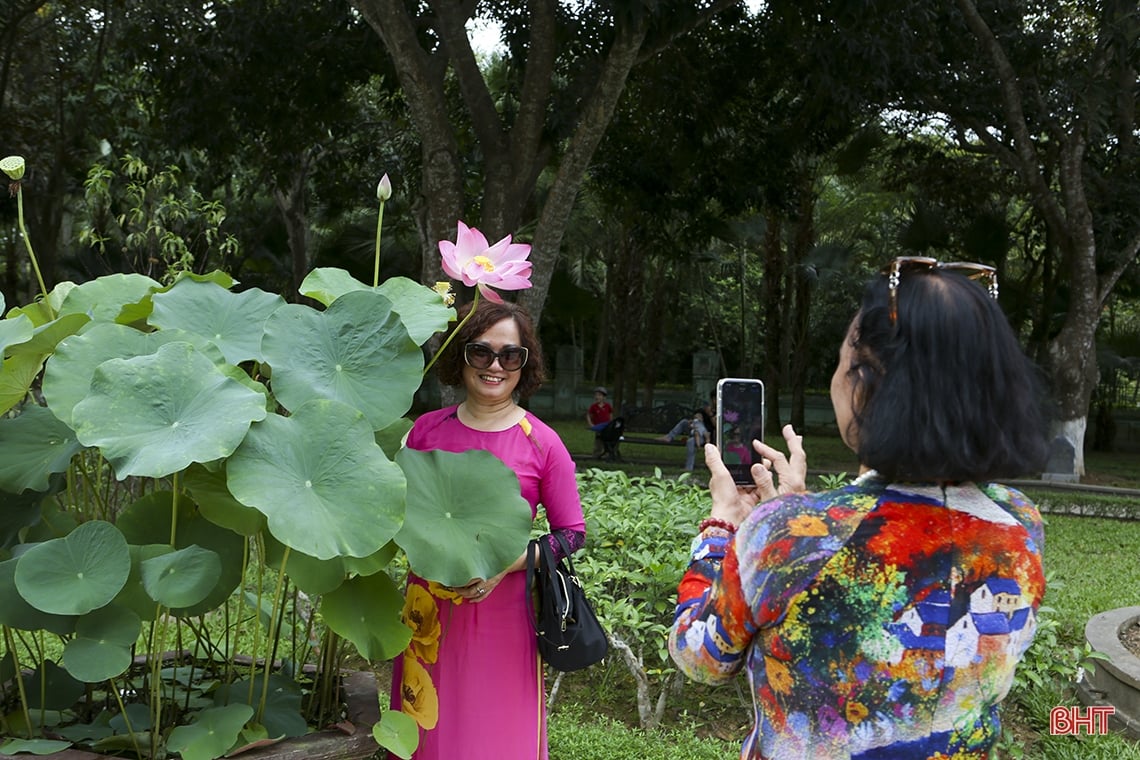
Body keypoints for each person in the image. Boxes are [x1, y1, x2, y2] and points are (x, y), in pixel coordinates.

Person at [669, 257, 1049, 759]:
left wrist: (725, 527)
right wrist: (798, 515)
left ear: (865, 382)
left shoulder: (787, 536)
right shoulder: (1020, 524)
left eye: (843, 360)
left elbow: (700, 656)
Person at [391, 300, 586, 760]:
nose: (495, 366)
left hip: (506, 613)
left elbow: (571, 533)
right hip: (429, 608)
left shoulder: (542, 441)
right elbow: (400, 512)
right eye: (481, 352)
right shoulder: (425, 431)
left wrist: (503, 565)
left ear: (525, 364)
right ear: (462, 356)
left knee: (495, 735)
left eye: (510, 355)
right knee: (427, 733)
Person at [659, 392, 715, 471]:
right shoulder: (705, 409)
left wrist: (710, 414)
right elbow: (696, 416)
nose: (714, 401)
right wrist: (692, 421)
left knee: (690, 442)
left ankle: (689, 467)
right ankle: (669, 437)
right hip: (694, 429)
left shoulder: (718, 411)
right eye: (713, 399)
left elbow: (716, 425)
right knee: (684, 422)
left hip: (705, 435)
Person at [586, 386, 614, 457]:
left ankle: (607, 453)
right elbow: (588, 415)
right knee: (598, 440)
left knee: (607, 440)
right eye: (596, 395)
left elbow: (610, 415)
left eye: (599, 395)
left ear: (604, 397)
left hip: (606, 426)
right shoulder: (594, 407)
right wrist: (591, 424)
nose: (597, 397)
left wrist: (611, 423)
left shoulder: (607, 406)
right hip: (598, 427)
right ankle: (596, 453)